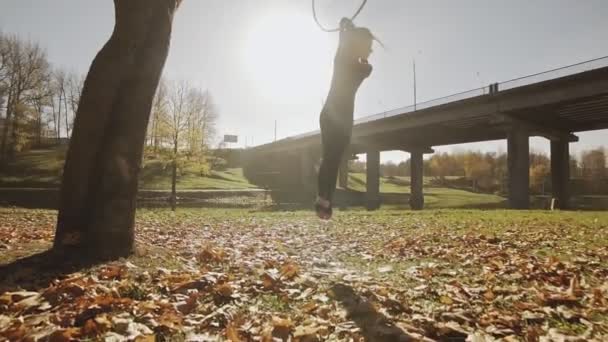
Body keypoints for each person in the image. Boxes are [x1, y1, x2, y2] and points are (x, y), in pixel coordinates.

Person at [315, 18, 374, 219]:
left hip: (334, 115)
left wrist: (347, 29)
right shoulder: (354, 64)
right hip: (337, 117)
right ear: (360, 46)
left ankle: (324, 200)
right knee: (331, 158)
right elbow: (345, 47)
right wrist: (346, 29)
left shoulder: (358, 66)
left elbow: (346, 47)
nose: (371, 51)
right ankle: (323, 201)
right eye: (369, 47)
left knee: (331, 159)